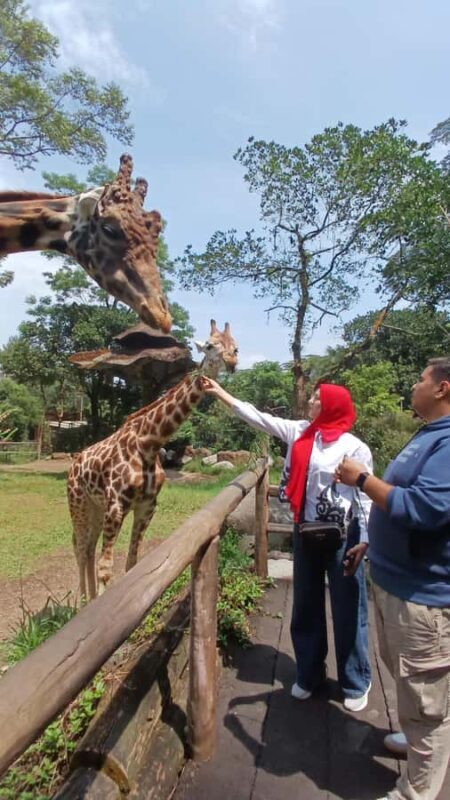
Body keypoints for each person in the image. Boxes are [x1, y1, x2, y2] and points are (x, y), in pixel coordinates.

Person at [202, 377, 373, 711]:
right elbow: (256, 417)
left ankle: (355, 680)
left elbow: (365, 498)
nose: (309, 401)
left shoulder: (354, 447)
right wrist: (220, 392)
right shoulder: (299, 432)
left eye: (315, 398)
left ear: (330, 406)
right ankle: (309, 674)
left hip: (344, 536)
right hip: (305, 530)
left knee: (348, 607)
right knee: (306, 605)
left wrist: (365, 540)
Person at [335, 357, 450, 800]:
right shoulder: (429, 434)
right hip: (394, 582)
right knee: (412, 684)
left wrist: (362, 478)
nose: (415, 384)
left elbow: (423, 509)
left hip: (423, 599)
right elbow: (403, 504)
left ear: (442, 388)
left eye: (422, 378)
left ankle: (415, 791)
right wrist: (373, 546)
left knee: (426, 699)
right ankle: (420, 739)